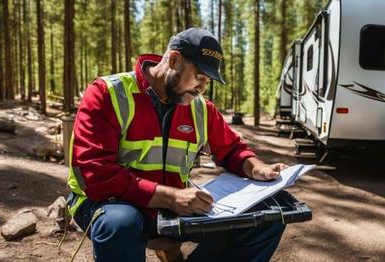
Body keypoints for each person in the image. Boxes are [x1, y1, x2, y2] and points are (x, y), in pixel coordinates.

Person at [67, 28, 288, 262]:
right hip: (109, 203)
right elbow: (95, 173)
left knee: (272, 214)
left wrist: (256, 167)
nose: (202, 87)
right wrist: (171, 197)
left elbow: (232, 149)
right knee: (121, 224)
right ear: (174, 60)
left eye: (208, 81)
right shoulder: (107, 94)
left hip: (172, 205)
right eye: (200, 77)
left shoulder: (201, 108)